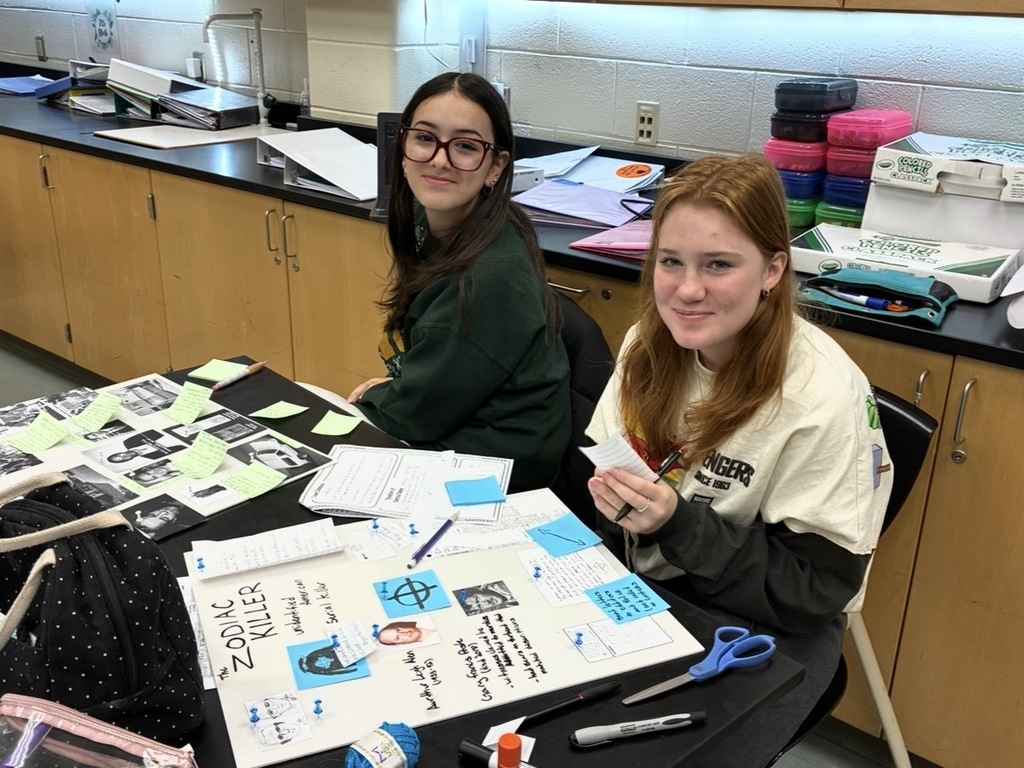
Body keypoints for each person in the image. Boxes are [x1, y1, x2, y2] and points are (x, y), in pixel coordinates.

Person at [584, 154, 893, 767]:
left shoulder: (819, 395)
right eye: (670, 262)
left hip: (771, 624)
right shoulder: (651, 342)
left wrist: (675, 523)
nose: (687, 290)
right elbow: (604, 477)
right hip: (651, 579)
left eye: (718, 265)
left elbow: (816, 592)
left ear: (773, 269)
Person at [347, 72, 570, 493]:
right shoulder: (438, 223)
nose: (440, 159)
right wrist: (402, 384)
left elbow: (411, 415)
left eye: (466, 146)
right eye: (425, 138)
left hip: (499, 474)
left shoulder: (485, 278)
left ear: (495, 166)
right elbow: (436, 375)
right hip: (459, 422)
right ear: (403, 147)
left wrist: (381, 400)